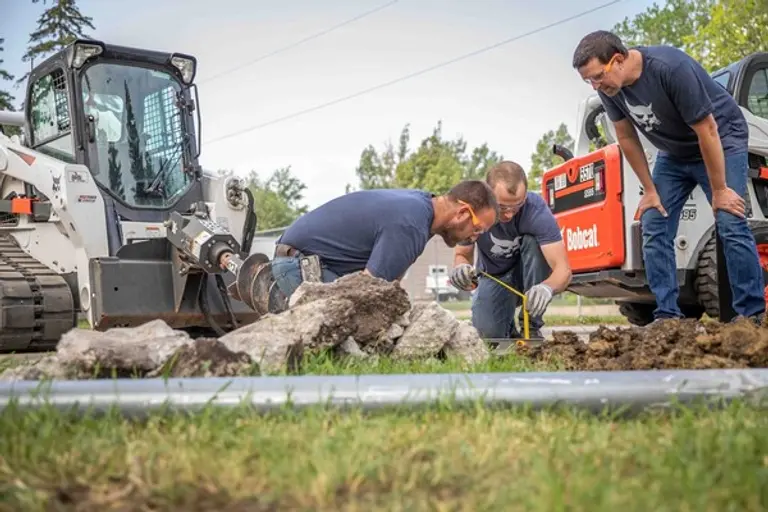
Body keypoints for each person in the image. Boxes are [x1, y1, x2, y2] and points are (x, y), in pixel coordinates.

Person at [571, 30, 766, 325]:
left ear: (618, 59)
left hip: (721, 138)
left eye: (598, 76)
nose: (595, 85)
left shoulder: (670, 68)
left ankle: (752, 314)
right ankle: (667, 316)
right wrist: (649, 190)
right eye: (589, 80)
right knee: (654, 222)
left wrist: (721, 190)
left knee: (729, 218)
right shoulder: (609, 89)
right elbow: (625, 136)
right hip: (674, 153)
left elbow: (708, 130)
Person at [269, 180, 499, 305]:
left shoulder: (421, 205)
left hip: (305, 256)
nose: (474, 238)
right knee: (359, 318)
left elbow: (392, 282)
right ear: (461, 213)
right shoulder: (411, 225)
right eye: (477, 229)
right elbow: (370, 289)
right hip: (300, 265)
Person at [449, 161, 572, 339]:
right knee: (489, 335)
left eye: (517, 206)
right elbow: (462, 254)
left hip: (528, 276)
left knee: (533, 241)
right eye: (502, 207)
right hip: (494, 277)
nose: (509, 214)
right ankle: (507, 329)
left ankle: (531, 327)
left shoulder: (536, 210)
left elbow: (563, 269)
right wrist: (460, 268)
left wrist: (547, 288)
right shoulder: (473, 210)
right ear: (488, 195)